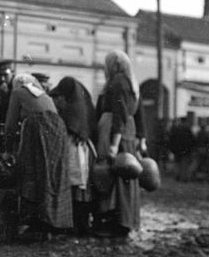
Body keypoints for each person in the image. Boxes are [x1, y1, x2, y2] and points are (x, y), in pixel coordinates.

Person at [3, 73, 72, 236]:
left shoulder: (17, 92)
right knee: (51, 175)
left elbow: (10, 124)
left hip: (39, 130)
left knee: (30, 172)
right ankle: (53, 220)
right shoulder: (43, 95)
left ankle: (34, 221)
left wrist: (8, 150)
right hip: (58, 133)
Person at [94, 50, 147, 238]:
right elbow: (138, 113)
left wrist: (114, 144)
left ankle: (116, 222)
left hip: (115, 131)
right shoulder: (133, 83)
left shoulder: (116, 83)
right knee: (127, 175)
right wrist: (142, 139)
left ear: (114, 65)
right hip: (129, 132)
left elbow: (119, 112)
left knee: (113, 174)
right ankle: (127, 219)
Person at [50, 77, 98, 235]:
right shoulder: (83, 109)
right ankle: (81, 225)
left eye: (60, 98)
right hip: (85, 150)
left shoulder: (70, 114)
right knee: (82, 189)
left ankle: (72, 225)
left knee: (73, 187)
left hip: (73, 151)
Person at [168, 116, 196, 181]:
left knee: (177, 164)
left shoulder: (176, 129)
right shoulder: (188, 129)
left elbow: (171, 140)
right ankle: (183, 177)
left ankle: (178, 176)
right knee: (184, 164)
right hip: (185, 150)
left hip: (177, 150)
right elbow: (192, 140)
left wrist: (172, 149)